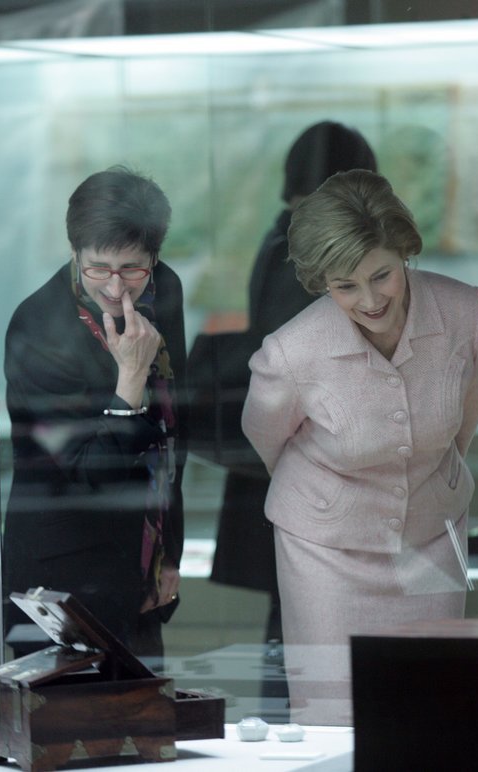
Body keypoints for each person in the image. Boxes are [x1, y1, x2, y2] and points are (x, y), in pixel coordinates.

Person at [241, 169, 478, 725]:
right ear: (320, 282)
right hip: (325, 550)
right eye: (345, 285)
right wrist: (328, 494)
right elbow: (268, 437)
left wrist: (429, 465)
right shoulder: (291, 352)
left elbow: (465, 416)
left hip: (434, 534)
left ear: (404, 251)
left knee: (432, 710)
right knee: (337, 717)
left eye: (381, 275)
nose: (370, 299)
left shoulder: (465, 313)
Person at [2, 166, 187, 658]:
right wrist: (129, 379)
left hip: (140, 560)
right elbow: (87, 471)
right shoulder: (37, 329)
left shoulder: (162, 288)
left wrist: (169, 553)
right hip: (62, 572)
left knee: (146, 724)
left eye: (132, 269)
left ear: (154, 257)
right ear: (75, 253)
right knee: (68, 730)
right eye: (98, 267)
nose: (116, 287)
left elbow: (172, 431)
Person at [206, 122, 378, 643]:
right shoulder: (303, 245)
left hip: (289, 458)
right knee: (307, 630)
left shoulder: (282, 235)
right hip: (308, 459)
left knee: (296, 628)